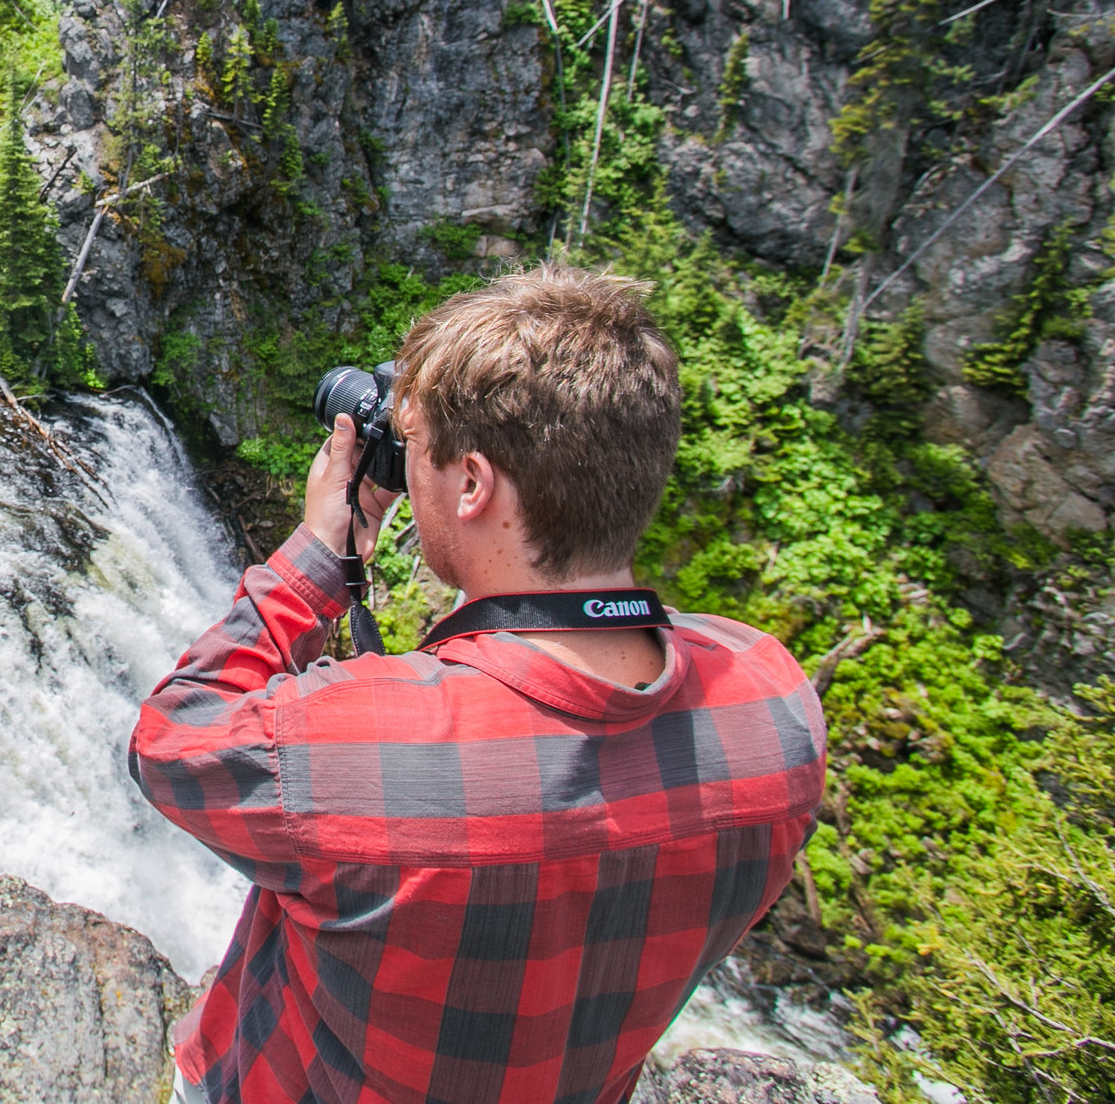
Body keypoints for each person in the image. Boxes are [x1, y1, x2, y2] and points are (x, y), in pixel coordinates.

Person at [130, 266, 825, 1104]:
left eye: (417, 447)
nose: (406, 465)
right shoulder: (775, 710)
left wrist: (319, 553)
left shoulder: (358, 749)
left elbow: (170, 739)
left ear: (472, 485)